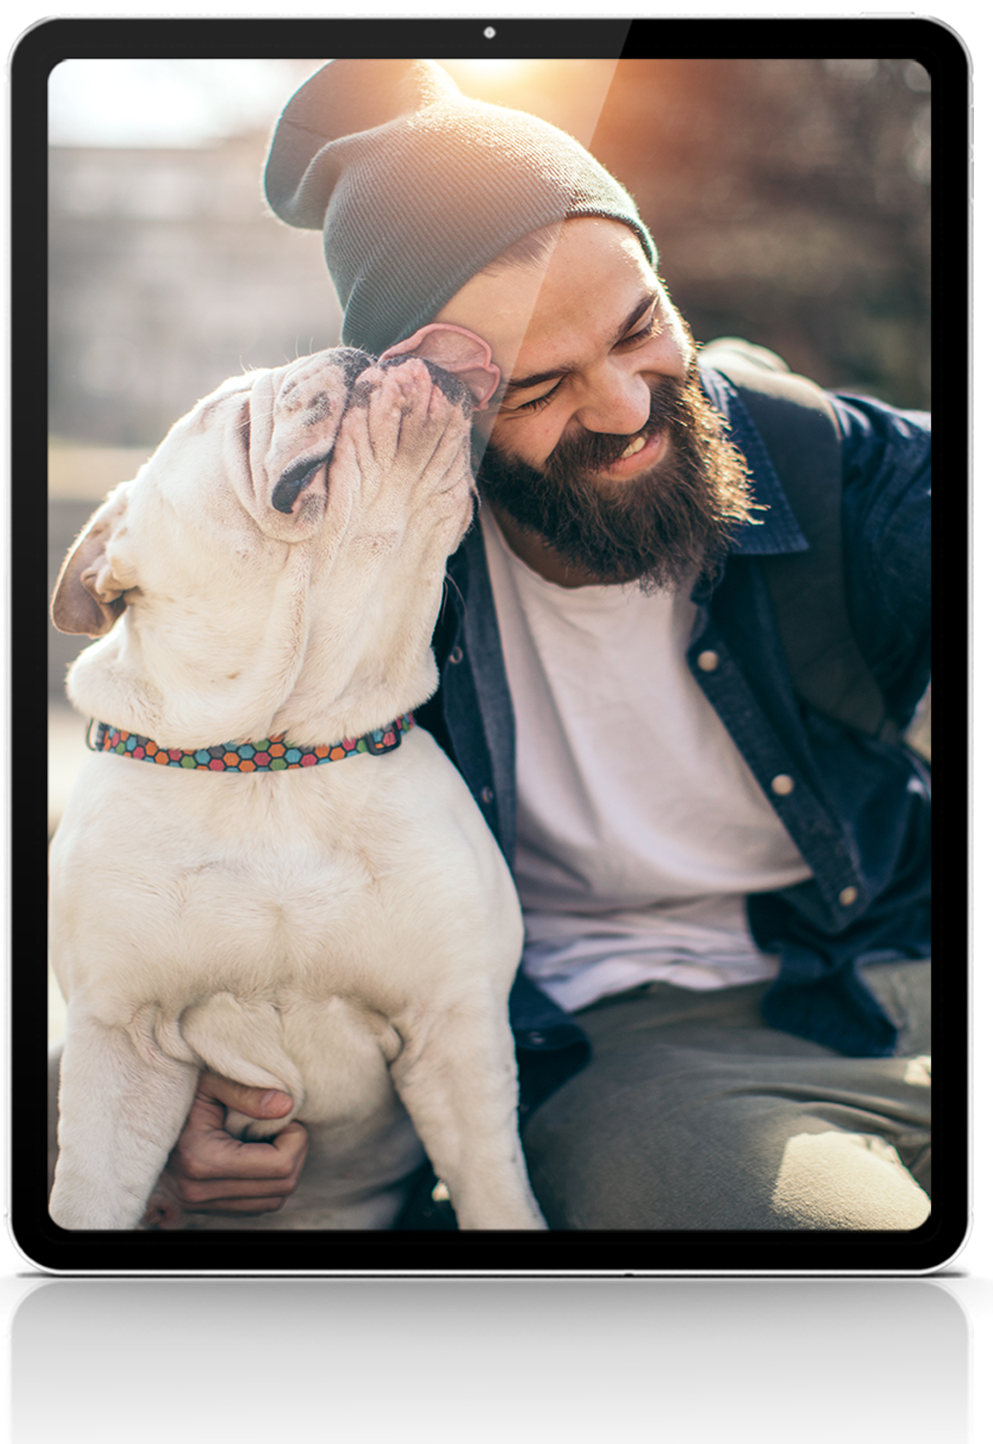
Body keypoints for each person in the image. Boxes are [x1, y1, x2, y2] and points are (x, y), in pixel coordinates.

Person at [145, 59, 931, 1230]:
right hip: (638, 1050)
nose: (623, 407)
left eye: (640, 328)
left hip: (901, 964)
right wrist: (162, 1104)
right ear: (431, 409)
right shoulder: (342, 586)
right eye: (542, 385)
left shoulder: (843, 471)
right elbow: (156, 851)